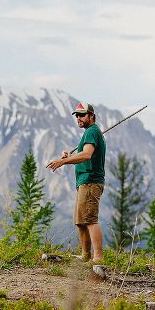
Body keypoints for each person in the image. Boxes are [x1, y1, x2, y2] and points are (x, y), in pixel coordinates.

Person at [47, 102, 106, 264]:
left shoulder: (92, 132)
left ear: (91, 116)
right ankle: (86, 256)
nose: (78, 118)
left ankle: (98, 258)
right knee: (81, 221)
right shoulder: (91, 133)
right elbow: (84, 154)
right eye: (77, 115)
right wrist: (69, 157)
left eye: (82, 115)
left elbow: (86, 155)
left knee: (90, 220)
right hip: (85, 182)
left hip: (90, 181)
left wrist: (62, 162)